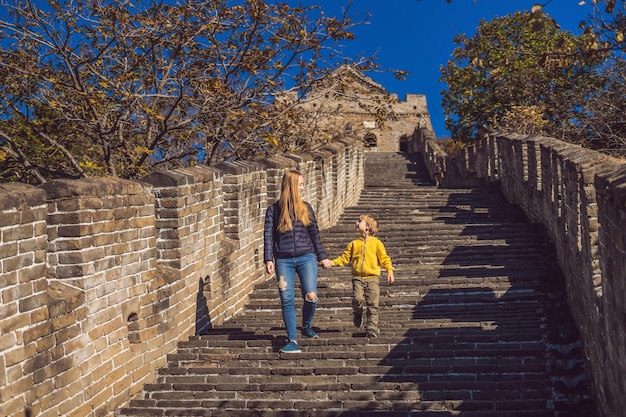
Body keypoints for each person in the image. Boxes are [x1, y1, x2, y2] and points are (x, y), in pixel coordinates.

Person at [264, 170, 332, 354]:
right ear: (291, 186)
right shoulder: (273, 210)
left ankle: (307, 325)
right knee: (287, 299)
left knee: (311, 295)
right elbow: (268, 235)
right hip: (283, 260)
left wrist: (322, 256)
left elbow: (314, 233)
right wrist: (268, 258)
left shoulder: (306, 208)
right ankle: (292, 340)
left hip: (306, 257)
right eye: (300, 184)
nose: (303, 187)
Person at [330, 214, 394, 338]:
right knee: (357, 299)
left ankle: (371, 328)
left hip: (373, 278)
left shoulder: (377, 243)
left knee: (373, 304)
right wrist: (332, 262)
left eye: (360, 221)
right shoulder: (354, 244)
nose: (356, 223)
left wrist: (389, 271)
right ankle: (358, 312)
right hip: (358, 278)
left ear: (367, 227)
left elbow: (384, 259)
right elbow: (344, 259)